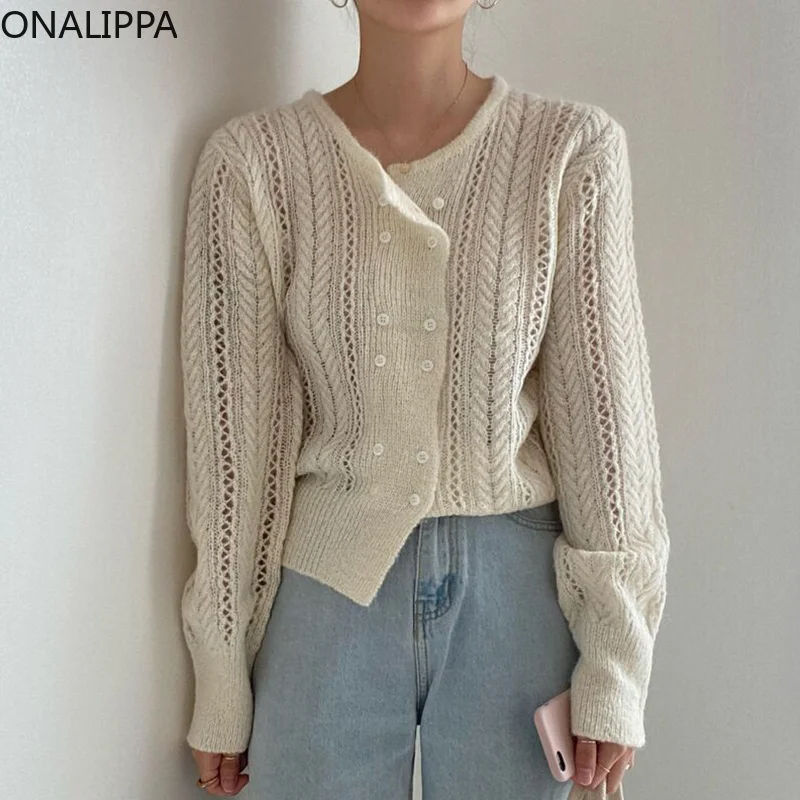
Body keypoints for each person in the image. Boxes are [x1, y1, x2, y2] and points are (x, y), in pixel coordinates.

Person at [178, 0, 670, 797]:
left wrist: (618, 662)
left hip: (517, 600)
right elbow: (234, 447)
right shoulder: (255, 163)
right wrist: (221, 674)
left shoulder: (569, 151)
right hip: (327, 588)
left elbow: (607, 426)